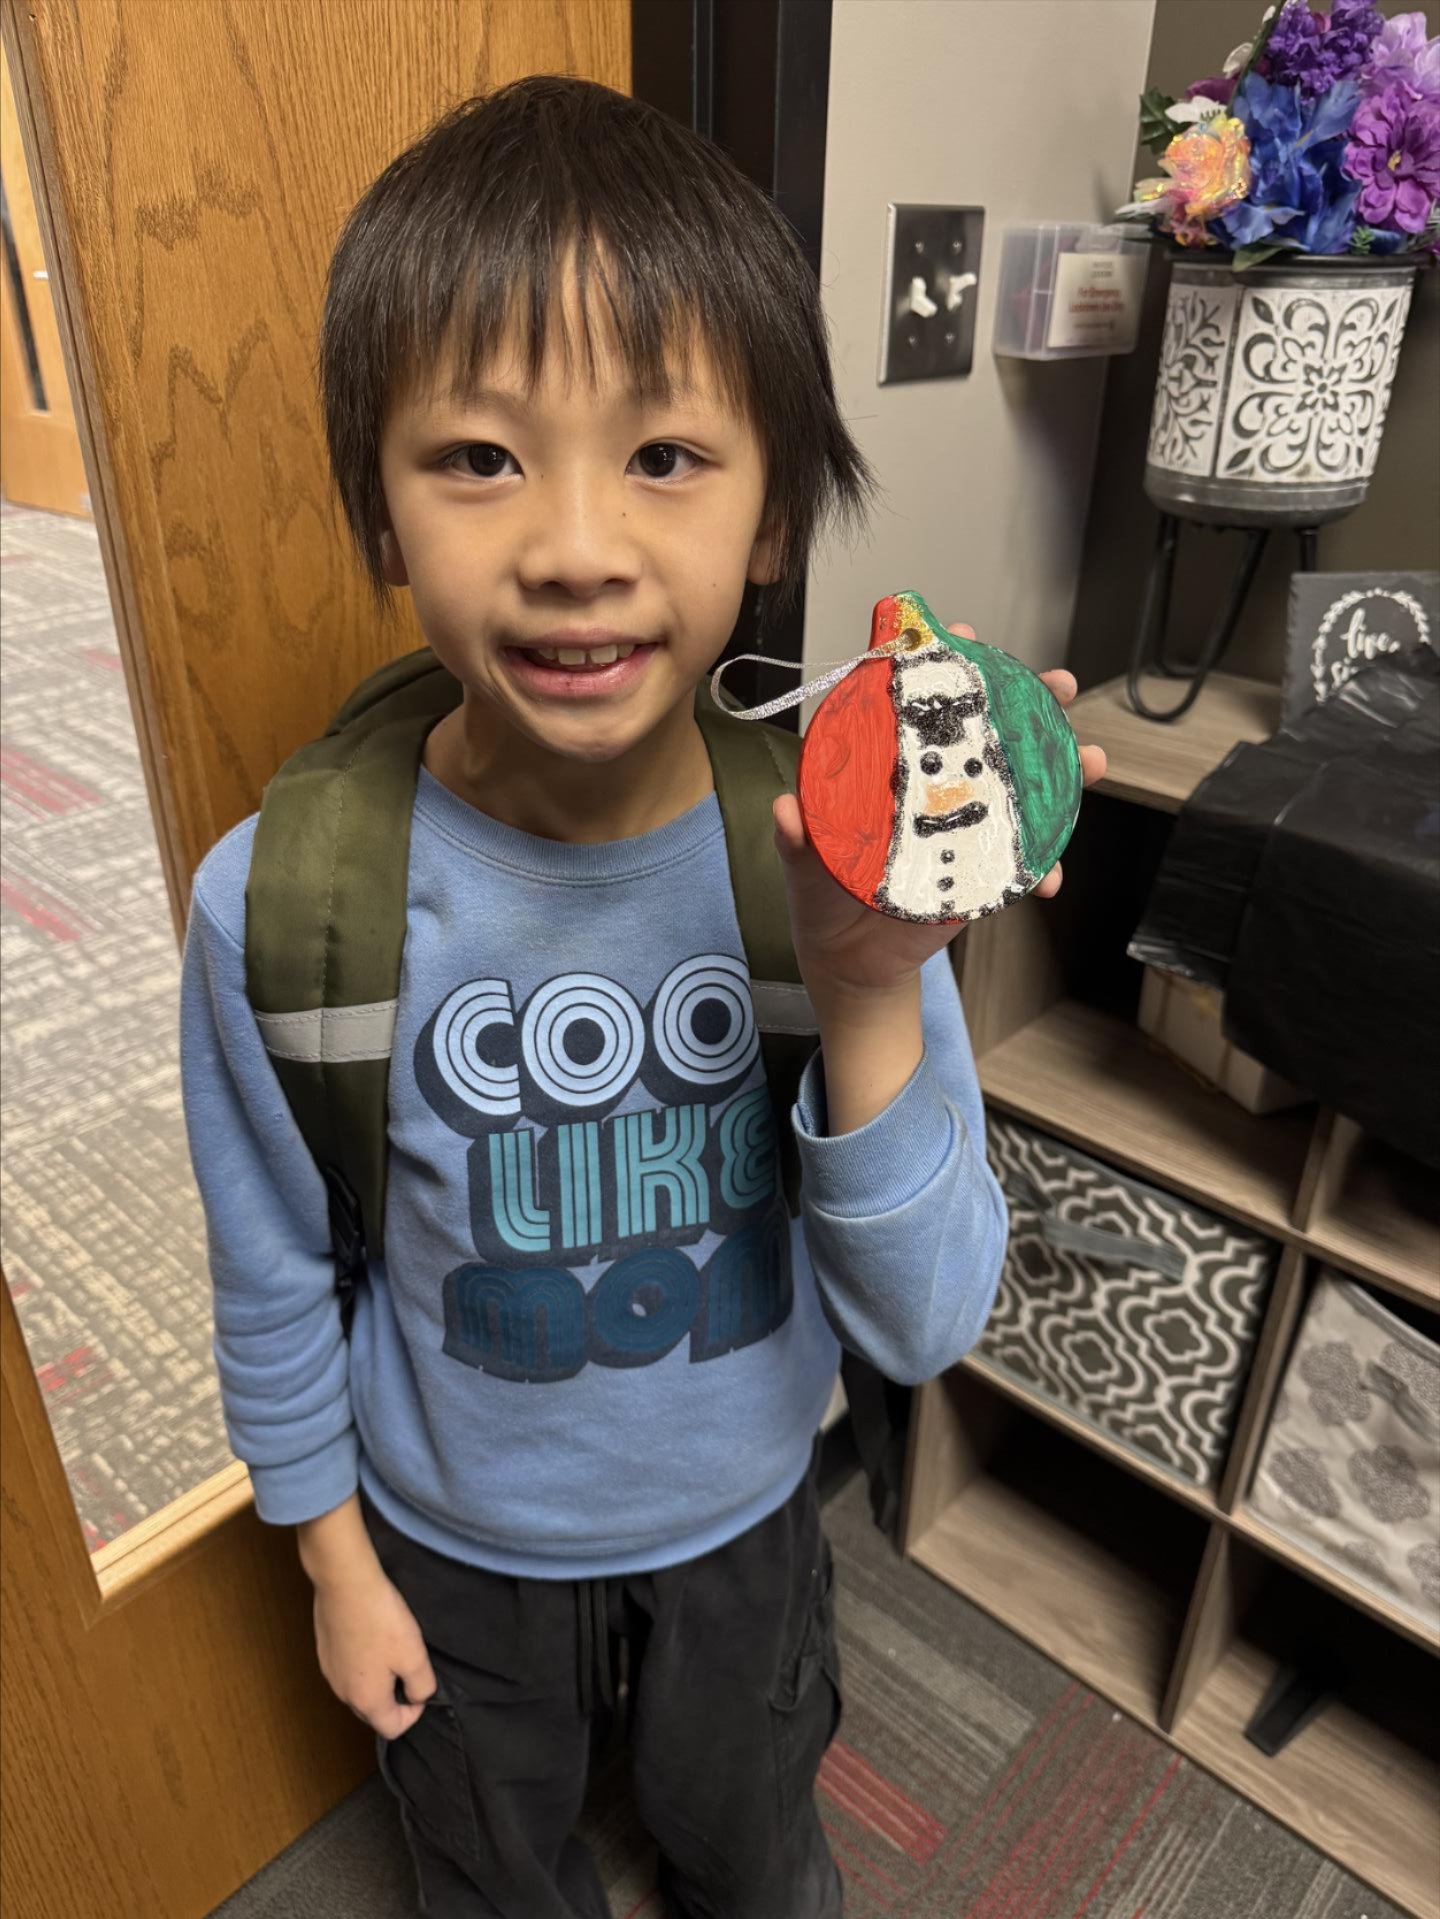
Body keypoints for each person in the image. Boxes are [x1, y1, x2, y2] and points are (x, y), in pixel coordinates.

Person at [179, 75, 1104, 1919]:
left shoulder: (842, 863)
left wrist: (867, 986)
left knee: (753, 1848)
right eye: (479, 457)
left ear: (776, 516)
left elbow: (927, 1325)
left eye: (668, 454)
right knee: (491, 1865)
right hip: (447, 1539)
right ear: (380, 515)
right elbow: (275, 1274)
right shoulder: (280, 904)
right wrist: (331, 1562)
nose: (578, 545)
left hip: (747, 1520)